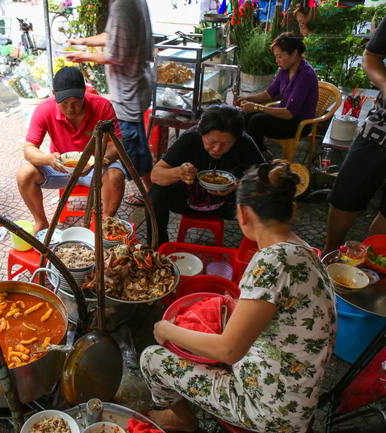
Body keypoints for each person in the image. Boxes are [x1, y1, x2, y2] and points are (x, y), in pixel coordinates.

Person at [140, 160, 337, 433]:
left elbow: (228, 350)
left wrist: (166, 330)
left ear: (242, 214)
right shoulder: (305, 251)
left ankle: (182, 420)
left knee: (151, 359)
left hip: (270, 411)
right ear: (291, 211)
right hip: (297, 397)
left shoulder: (270, 263)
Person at [65, 0, 154, 207]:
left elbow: (116, 54)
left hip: (128, 92)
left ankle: (150, 194)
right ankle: (151, 190)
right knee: (137, 144)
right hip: (135, 86)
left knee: (131, 149)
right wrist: (84, 41)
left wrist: (83, 56)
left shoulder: (123, 5)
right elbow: (115, 39)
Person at [16, 66, 126, 234]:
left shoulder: (102, 106)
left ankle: (105, 223)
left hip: (94, 168)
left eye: (76, 102)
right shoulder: (44, 109)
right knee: (24, 173)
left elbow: (116, 146)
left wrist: (96, 162)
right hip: (60, 168)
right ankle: (41, 222)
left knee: (116, 175)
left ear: (84, 91)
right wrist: (49, 159)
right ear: (54, 93)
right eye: (64, 103)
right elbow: (29, 149)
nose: (70, 109)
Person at [145, 105, 264, 247]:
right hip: (188, 200)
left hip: (228, 205)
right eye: (212, 142)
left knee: (261, 196)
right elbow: (155, 175)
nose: (217, 149)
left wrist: (239, 183)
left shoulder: (244, 142)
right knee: (155, 194)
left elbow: (264, 176)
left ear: (236, 139)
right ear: (201, 132)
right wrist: (178, 172)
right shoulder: (190, 138)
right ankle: (157, 249)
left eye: (226, 143)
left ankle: (256, 254)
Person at [323, 16, 386, 255]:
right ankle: (329, 253)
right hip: (382, 126)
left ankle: (371, 264)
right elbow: (371, 56)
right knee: (346, 194)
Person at [237, 32, 319, 161]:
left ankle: (257, 157)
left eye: (280, 56)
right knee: (245, 116)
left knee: (256, 121)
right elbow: (269, 94)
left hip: (298, 123)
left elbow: (289, 113)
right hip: (284, 115)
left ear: (294, 53)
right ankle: (259, 153)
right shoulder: (285, 70)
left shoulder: (305, 75)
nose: (277, 61)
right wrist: (246, 99)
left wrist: (256, 107)